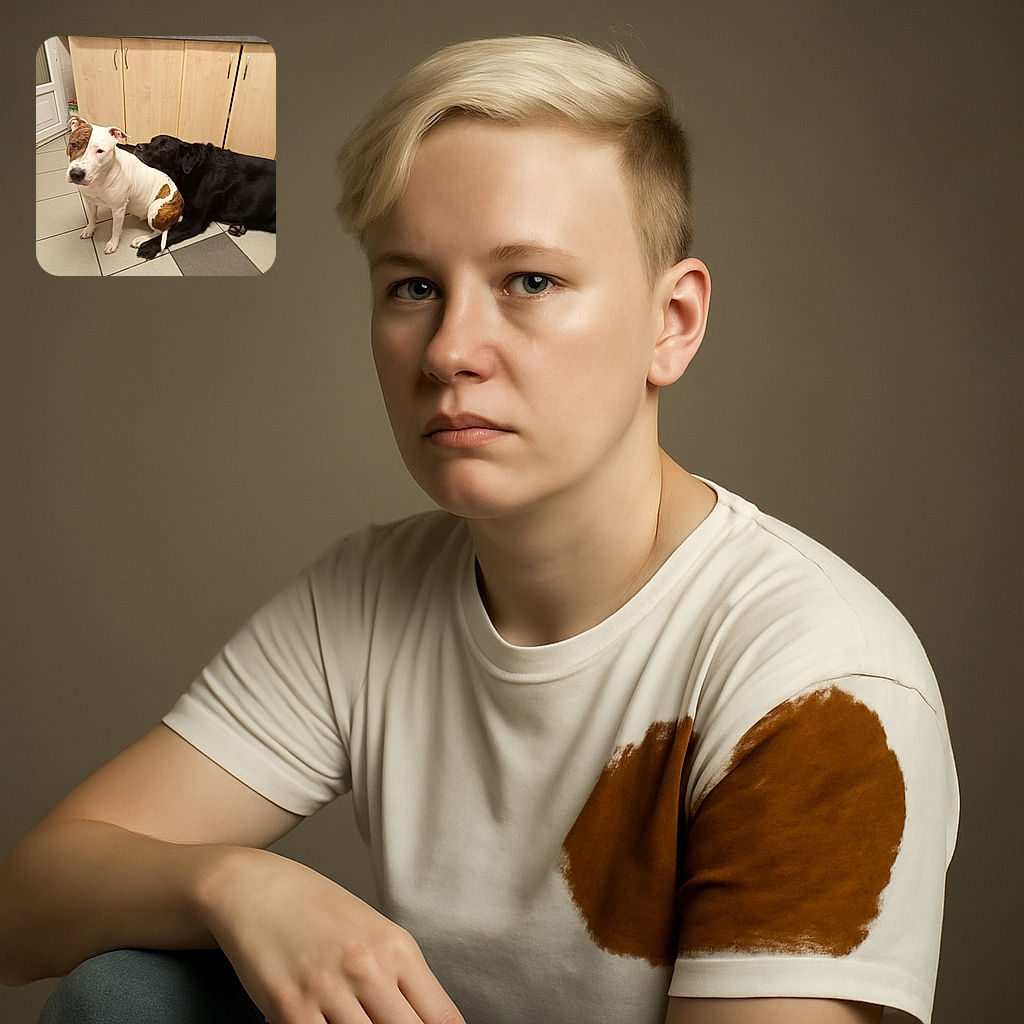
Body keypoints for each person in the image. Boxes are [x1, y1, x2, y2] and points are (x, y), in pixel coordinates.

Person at [0, 35, 957, 1024]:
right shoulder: (370, 597)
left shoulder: (818, 679)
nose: (452, 349)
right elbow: (22, 910)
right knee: (129, 991)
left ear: (670, 322)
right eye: (414, 286)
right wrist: (233, 884)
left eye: (529, 282)